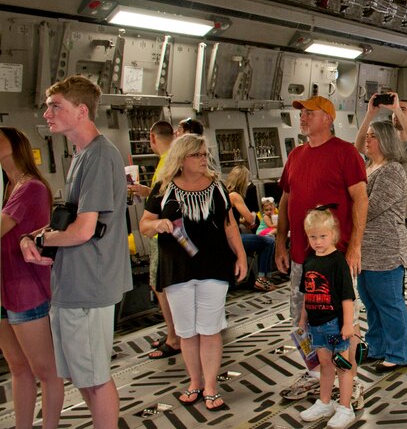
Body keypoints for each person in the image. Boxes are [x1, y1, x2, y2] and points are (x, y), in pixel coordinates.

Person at [20, 75, 132, 429]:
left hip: (88, 286)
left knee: (95, 379)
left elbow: (83, 231)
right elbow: (67, 219)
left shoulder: (99, 156)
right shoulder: (82, 155)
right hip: (74, 286)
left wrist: (39, 241)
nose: (47, 113)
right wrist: (32, 237)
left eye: (56, 106)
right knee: (86, 377)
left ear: (82, 111)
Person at [140, 134, 247, 412]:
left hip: (213, 266)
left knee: (210, 329)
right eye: (197, 155)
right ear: (182, 158)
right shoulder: (163, 189)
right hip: (178, 269)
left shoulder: (217, 187)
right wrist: (159, 224)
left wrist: (241, 256)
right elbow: (144, 225)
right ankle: (195, 381)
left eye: (204, 154)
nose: (203, 159)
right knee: (187, 331)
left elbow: (229, 225)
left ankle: (211, 385)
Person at [276, 96, 368, 401]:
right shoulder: (296, 155)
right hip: (303, 257)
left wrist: (354, 247)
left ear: (327, 118)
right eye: (301, 113)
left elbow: (360, 199)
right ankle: (315, 373)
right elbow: (286, 200)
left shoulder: (345, 153)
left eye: (309, 113)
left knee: (342, 323)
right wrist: (281, 241)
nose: (302, 117)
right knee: (302, 320)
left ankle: (349, 379)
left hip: (333, 258)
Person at [356, 92, 407, 351]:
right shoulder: (381, 153)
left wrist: (399, 109)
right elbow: (356, 149)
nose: (395, 113)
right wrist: (370, 114)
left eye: (403, 110)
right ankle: (394, 332)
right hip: (388, 226)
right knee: (391, 288)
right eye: (392, 111)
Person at [0, 127, 64, 429]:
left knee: (46, 371)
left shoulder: (31, 188)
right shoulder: (7, 187)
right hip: (3, 289)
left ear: (15, 146)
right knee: (18, 366)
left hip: (26, 289)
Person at [357, 120, 407, 371]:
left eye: (373, 136)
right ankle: (377, 346)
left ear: (386, 141)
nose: (367, 140)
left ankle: (398, 353)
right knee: (370, 300)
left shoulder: (392, 171)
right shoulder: (369, 167)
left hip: (386, 247)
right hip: (365, 248)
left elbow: (371, 207)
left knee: (389, 302)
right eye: (367, 136)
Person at [125, 120, 182, 359]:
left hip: (163, 236)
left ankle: (174, 337)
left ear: (152, 137)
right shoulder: (170, 160)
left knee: (161, 286)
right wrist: (146, 192)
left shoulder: (167, 162)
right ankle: (174, 332)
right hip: (166, 234)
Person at [297, 208, 357, 429]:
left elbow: (347, 296)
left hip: (335, 323)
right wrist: (303, 319)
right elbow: (307, 293)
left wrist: (348, 323)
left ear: (333, 234)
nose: (318, 241)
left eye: (323, 236)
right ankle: (325, 402)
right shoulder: (310, 260)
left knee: (342, 365)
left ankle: (345, 407)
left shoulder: (338, 261)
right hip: (317, 325)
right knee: (324, 364)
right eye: (313, 237)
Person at [226, 165, 277, 291]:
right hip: (233, 239)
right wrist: (252, 216)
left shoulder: (225, 194)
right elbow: (251, 219)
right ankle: (262, 279)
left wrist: (242, 221)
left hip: (226, 238)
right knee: (269, 241)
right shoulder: (235, 196)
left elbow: (232, 220)